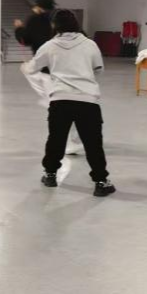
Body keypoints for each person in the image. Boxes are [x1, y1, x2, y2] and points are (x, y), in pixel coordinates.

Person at [22, 10, 115, 197]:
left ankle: (50, 175)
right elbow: (98, 69)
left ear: (55, 26)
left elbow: (32, 68)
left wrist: (26, 66)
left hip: (60, 100)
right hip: (87, 100)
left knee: (56, 140)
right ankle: (101, 182)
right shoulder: (90, 44)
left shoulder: (49, 46)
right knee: (93, 143)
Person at [14, 0, 82, 155]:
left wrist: (18, 28)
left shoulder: (35, 20)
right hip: (72, 70)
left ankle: (70, 142)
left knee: (57, 106)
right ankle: (74, 135)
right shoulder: (66, 18)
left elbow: (25, 39)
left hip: (48, 70)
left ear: (38, 7)